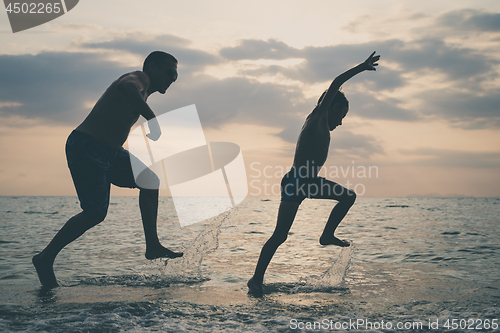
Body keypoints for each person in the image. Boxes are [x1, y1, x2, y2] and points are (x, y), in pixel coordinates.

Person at [32, 51, 183, 288]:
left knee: (150, 181)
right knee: (95, 213)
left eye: (176, 76)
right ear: (152, 67)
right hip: (86, 146)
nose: (172, 78)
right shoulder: (139, 79)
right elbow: (124, 87)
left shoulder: (143, 92)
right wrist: (152, 118)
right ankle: (45, 258)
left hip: (111, 153)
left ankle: (152, 245)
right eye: (170, 72)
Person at [248, 52, 380, 296]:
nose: (340, 123)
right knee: (282, 233)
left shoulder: (319, 123)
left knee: (282, 234)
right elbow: (335, 84)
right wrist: (361, 67)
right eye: (341, 116)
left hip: (302, 182)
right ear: (333, 107)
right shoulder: (318, 116)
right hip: (299, 181)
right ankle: (325, 236)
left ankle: (257, 279)